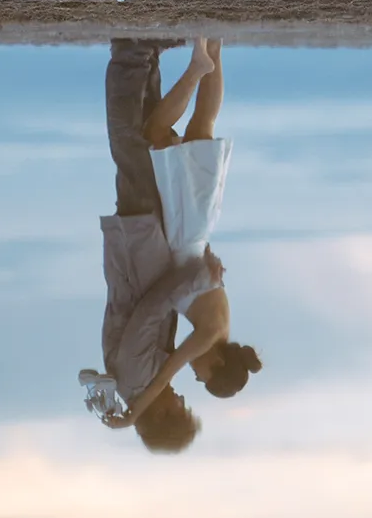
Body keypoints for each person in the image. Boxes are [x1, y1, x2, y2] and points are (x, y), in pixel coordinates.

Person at [104, 39, 262, 434]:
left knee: (200, 128)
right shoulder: (209, 335)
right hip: (184, 231)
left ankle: (214, 43)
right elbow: (165, 373)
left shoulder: (218, 329)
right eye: (205, 379)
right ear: (219, 363)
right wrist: (136, 413)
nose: (194, 377)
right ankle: (198, 65)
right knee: (157, 131)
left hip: (196, 231)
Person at [91, 39, 218, 452]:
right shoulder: (140, 380)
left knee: (129, 143)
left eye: (180, 408)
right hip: (140, 240)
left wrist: (198, 279)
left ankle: (130, 54)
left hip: (138, 240)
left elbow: (153, 307)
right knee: (145, 147)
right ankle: (147, 55)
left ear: (162, 415)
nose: (180, 398)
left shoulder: (135, 376)